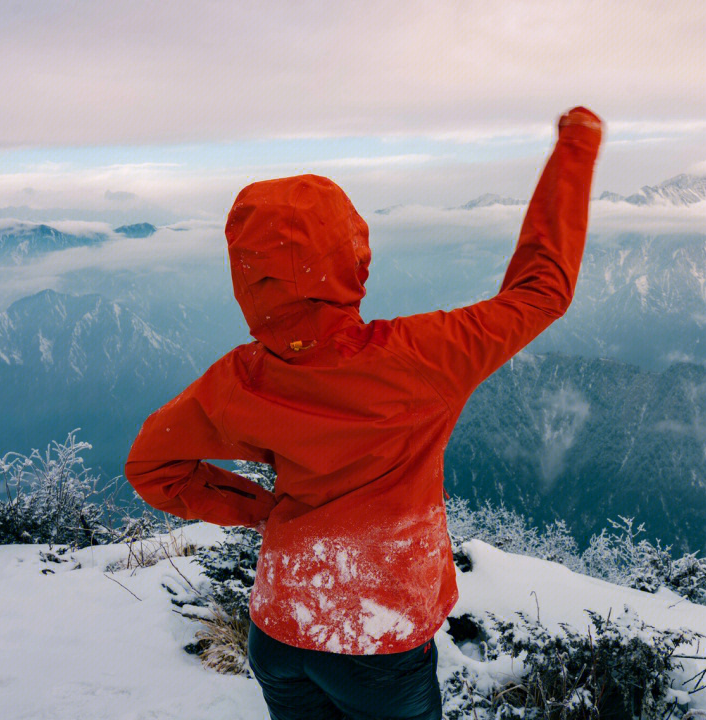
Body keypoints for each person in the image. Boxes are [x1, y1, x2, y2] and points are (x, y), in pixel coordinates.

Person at [124, 106, 603, 720]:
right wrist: (576, 151)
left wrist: (263, 513)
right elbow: (541, 292)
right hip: (379, 642)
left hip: (279, 630)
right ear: (354, 259)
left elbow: (152, 465)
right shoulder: (424, 358)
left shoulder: (236, 383)